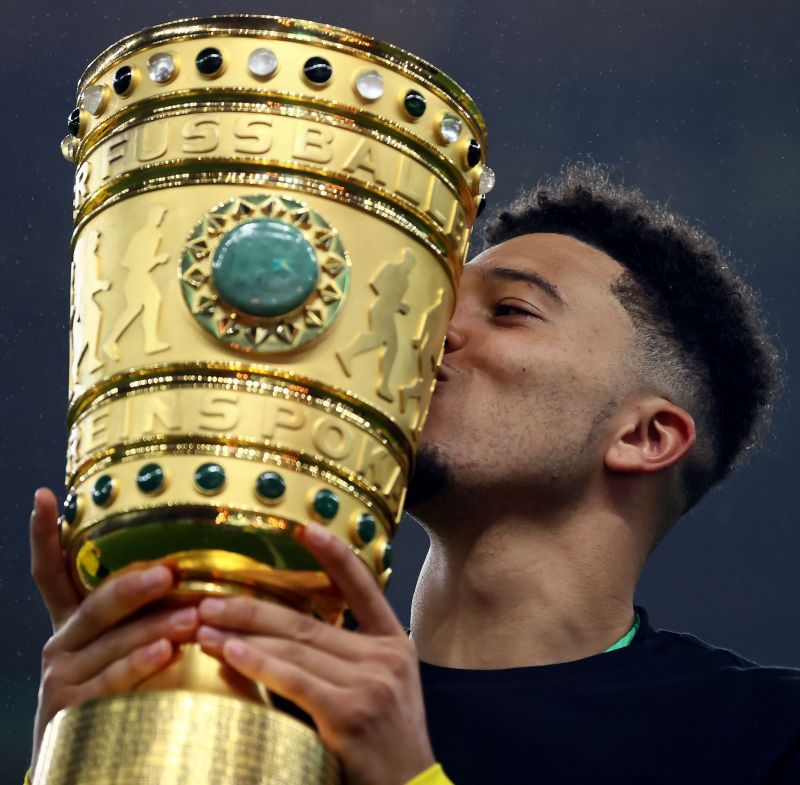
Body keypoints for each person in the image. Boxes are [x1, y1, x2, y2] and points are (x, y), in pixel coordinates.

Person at [27, 163, 799, 785]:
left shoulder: (764, 736)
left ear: (645, 434)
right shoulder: (249, 686)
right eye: (430, 304)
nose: (423, 332)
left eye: (509, 311)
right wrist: (78, 752)